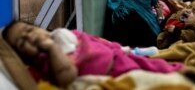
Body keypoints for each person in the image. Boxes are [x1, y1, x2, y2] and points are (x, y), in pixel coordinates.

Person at [2, 21, 184, 88]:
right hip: (114, 74)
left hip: (120, 58)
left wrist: (125, 50)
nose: (30, 36)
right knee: (161, 79)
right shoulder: (45, 61)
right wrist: (51, 48)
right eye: (22, 42)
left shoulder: (68, 34)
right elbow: (66, 76)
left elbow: (96, 41)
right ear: (24, 58)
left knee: (166, 68)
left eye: (29, 29)